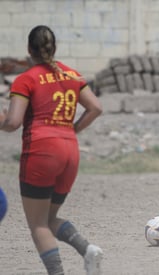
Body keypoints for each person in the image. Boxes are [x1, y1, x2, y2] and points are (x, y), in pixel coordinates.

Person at [0, 25, 103, 274]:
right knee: (48, 218)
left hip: (41, 152)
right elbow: (96, 108)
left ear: (28, 50)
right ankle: (87, 249)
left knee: (37, 224)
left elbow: (12, 122)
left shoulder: (27, 78)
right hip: (70, 151)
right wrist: (71, 130)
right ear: (54, 48)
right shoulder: (72, 75)